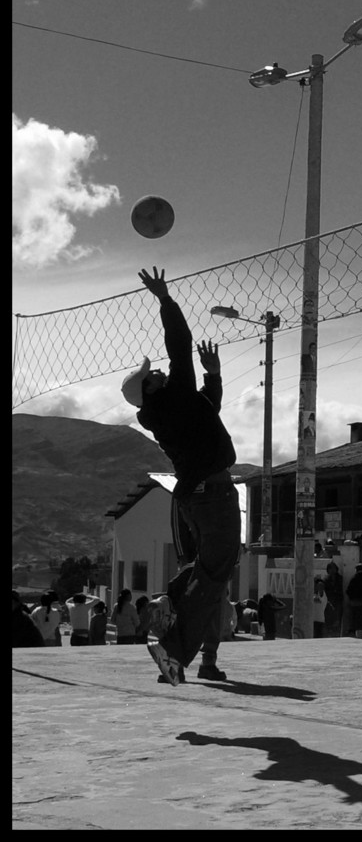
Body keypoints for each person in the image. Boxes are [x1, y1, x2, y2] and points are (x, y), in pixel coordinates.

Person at [121, 266, 241, 686]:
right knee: (215, 570)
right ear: (151, 389)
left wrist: (214, 377)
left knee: (212, 568)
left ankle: (169, 600)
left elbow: (207, 411)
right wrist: (165, 299)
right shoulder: (172, 396)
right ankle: (174, 650)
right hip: (212, 492)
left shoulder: (169, 409)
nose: (159, 371)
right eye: (151, 374)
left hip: (198, 495)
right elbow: (180, 344)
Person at [321, 562, 344, 638]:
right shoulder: (326, 579)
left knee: (337, 619)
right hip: (329, 602)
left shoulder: (340, 579)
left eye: (333, 568)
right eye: (330, 568)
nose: (332, 570)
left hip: (338, 602)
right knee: (329, 620)